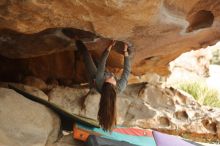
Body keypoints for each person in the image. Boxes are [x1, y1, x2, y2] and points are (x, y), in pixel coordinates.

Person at [63, 29, 131, 131]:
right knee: (99, 62)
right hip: (104, 83)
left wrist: (109, 47)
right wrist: (125, 52)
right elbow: (127, 70)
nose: (110, 77)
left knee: (87, 56)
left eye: (108, 79)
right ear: (114, 86)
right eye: (111, 79)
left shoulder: (100, 80)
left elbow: (102, 65)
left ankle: (76, 39)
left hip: (94, 79)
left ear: (104, 83)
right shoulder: (120, 86)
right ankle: (92, 58)